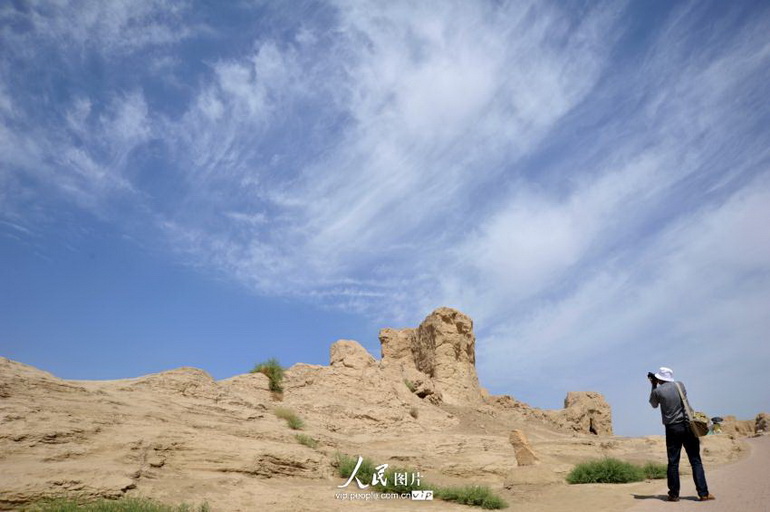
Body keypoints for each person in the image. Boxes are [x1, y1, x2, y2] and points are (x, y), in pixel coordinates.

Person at [648, 367, 715, 502]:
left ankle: (674, 494)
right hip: (688, 425)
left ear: (659, 378)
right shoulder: (680, 385)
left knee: (673, 462)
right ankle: (703, 493)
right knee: (695, 460)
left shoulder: (658, 391)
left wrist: (653, 385)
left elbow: (653, 404)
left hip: (672, 428)